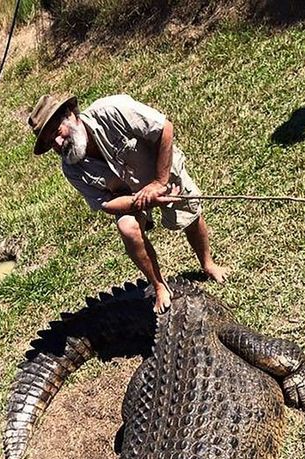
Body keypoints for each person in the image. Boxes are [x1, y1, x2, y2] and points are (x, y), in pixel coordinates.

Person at [28, 93, 228, 313]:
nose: (57, 144)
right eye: (50, 143)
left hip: (160, 169)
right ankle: (159, 285)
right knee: (127, 228)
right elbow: (105, 203)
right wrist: (140, 200)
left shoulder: (113, 110)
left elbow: (165, 129)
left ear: (71, 115)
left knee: (190, 215)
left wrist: (159, 183)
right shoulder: (71, 168)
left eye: (57, 133)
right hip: (129, 197)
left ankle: (207, 264)